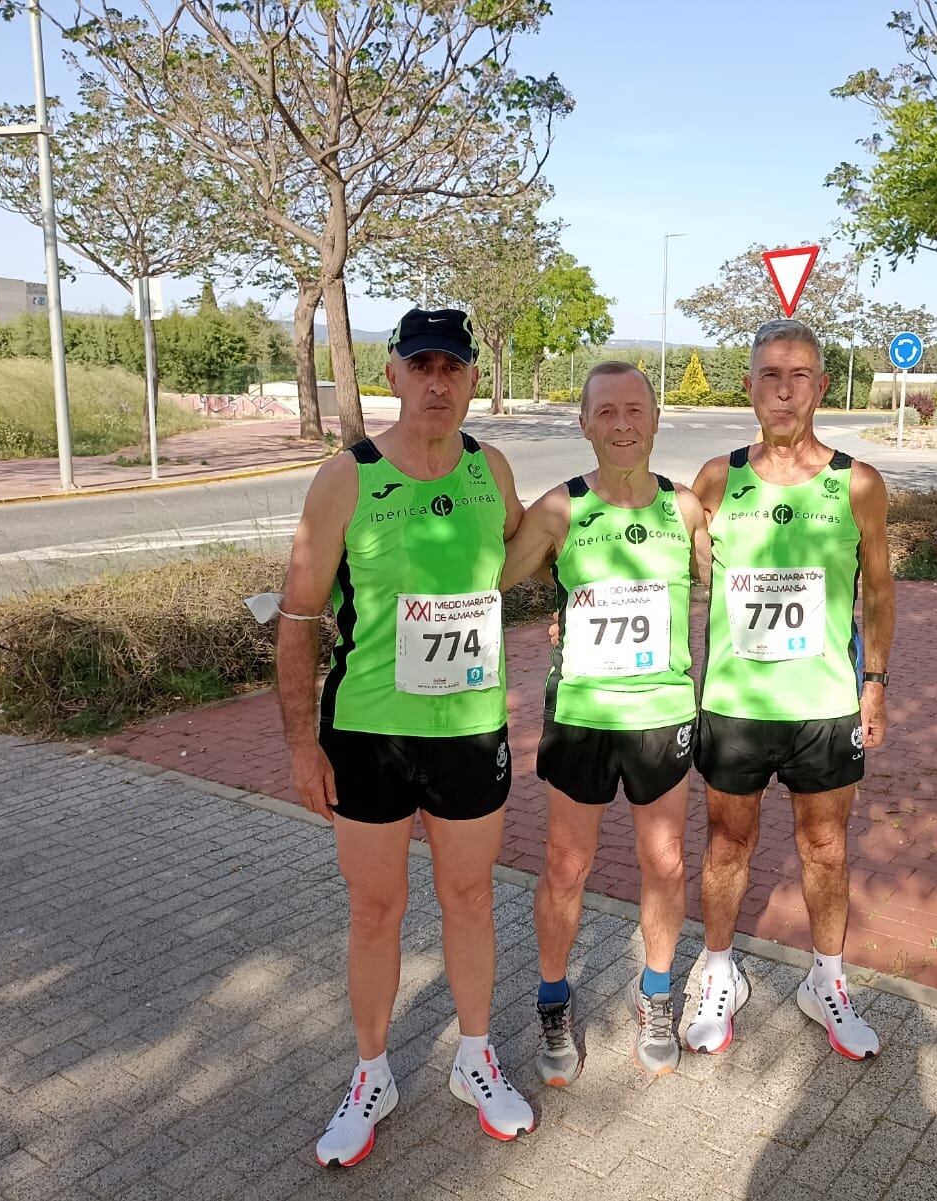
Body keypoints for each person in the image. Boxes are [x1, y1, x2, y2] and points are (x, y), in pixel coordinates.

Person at [275, 308, 535, 1165]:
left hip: (470, 728)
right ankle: (372, 1070)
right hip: (369, 732)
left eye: (452, 367)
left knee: (469, 897)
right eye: (420, 365)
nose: (437, 381)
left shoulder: (490, 467)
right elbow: (300, 613)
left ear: (468, 378)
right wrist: (301, 743)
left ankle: (473, 1057)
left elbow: (527, 554)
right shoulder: (344, 478)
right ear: (392, 373)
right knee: (375, 908)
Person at [683, 318, 895, 1060]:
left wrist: (875, 684)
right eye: (770, 374)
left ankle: (827, 981)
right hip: (735, 706)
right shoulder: (717, 478)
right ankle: (717, 972)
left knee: (827, 849)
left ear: (821, 386)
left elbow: (880, 594)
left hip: (826, 705)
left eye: (799, 374)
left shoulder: (857, 483)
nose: (784, 389)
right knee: (726, 846)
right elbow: (672, 571)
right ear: (749, 386)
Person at [500, 361, 710, 1083]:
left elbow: (730, 587)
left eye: (635, 410)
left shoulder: (684, 511)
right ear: (583, 423)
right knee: (567, 865)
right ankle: (553, 999)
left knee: (667, 861)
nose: (622, 424)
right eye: (606, 412)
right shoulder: (560, 509)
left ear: (655, 419)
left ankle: (655, 993)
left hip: (662, 712)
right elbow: (489, 575)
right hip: (583, 713)